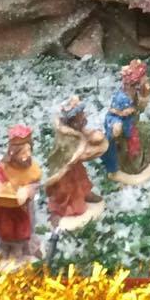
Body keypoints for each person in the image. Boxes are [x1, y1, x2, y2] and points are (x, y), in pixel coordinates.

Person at [0, 124, 42, 268]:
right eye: (22, 152)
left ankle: (21, 249)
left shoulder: (33, 169)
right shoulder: (5, 167)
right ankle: (4, 246)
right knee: (5, 228)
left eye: (28, 151)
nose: (26, 155)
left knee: (22, 229)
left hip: (22, 209)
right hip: (4, 207)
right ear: (13, 153)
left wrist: (26, 191)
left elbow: (35, 185)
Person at [43, 97, 107, 229]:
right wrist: (85, 151)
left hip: (74, 166)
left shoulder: (77, 128)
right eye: (80, 115)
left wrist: (95, 137)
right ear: (73, 119)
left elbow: (85, 135)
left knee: (81, 178)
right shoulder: (66, 135)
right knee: (70, 188)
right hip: (65, 169)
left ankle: (85, 193)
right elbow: (70, 153)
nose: (83, 116)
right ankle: (65, 209)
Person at [102, 59, 150, 185]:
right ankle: (126, 169)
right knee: (130, 143)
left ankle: (141, 162)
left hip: (130, 123)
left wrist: (145, 95)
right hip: (121, 127)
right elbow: (114, 114)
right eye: (144, 76)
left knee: (144, 132)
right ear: (135, 82)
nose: (146, 79)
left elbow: (140, 109)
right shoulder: (121, 98)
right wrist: (117, 125)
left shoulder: (135, 94)